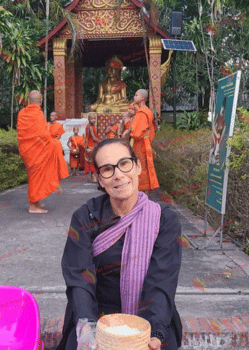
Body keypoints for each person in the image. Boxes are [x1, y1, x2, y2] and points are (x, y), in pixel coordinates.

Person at [56, 138, 183, 350]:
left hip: (152, 317)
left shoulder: (164, 220)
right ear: (99, 179)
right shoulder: (85, 217)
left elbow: (161, 282)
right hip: (96, 318)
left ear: (138, 166)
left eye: (124, 163)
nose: (118, 175)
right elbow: (80, 279)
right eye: (107, 169)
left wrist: (152, 333)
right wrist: (88, 330)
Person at [17, 91, 69, 213]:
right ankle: (33, 206)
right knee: (56, 145)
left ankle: (36, 202)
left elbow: (23, 133)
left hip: (27, 151)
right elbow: (43, 135)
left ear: (28, 101)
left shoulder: (22, 113)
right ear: (40, 101)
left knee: (34, 177)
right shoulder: (38, 114)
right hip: (37, 151)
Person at [123, 90, 159, 195]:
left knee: (141, 170)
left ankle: (143, 200)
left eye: (136, 95)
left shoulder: (143, 112)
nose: (134, 97)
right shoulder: (143, 111)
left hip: (140, 145)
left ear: (142, 98)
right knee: (141, 169)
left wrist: (129, 132)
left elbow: (137, 134)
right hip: (142, 144)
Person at [84, 113, 100, 183]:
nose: (93, 120)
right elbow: (93, 137)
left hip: (90, 145)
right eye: (92, 119)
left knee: (91, 161)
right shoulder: (90, 127)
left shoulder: (90, 126)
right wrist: (100, 141)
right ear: (88, 119)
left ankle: (93, 176)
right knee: (93, 161)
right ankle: (93, 176)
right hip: (91, 145)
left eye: (94, 118)